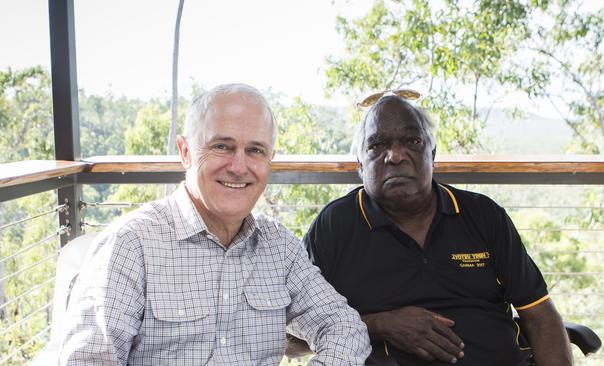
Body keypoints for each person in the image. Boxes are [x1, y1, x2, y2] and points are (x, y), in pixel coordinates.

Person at [59, 83, 371, 365]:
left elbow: (344, 328)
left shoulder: (280, 247)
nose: (239, 166)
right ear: (185, 152)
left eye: (255, 150)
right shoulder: (131, 246)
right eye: (222, 146)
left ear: (269, 160)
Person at [301, 92, 572, 365]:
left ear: (432, 154)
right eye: (377, 145)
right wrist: (381, 325)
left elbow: (540, 316)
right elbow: (292, 337)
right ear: (359, 163)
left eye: (412, 141)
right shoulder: (334, 226)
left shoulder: (483, 215)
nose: (395, 156)